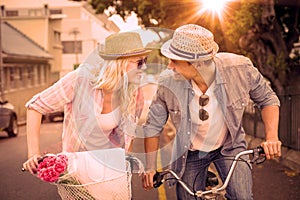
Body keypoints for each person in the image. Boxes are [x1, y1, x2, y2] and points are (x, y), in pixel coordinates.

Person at [142, 24, 281, 200]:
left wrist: (271, 137)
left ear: (198, 63)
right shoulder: (167, 82)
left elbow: (268, 99)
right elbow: (153, 126)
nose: (170, 66)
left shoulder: (240, 69)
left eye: (175, 61)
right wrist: (150, 167)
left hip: (229, 147)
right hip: (190, 152)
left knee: (242, 196)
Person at [22, 31, 150, 199]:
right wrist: (33, 153)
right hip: (78, 170)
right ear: (119, 63)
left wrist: (125, 166)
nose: (144, 67)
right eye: (139, 62)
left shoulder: (135, 92)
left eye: (145, 61)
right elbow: (35, 106)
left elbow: (129, 135)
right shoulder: (80, 80)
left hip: (110, 170)